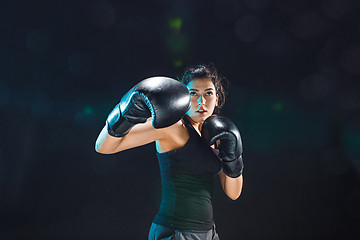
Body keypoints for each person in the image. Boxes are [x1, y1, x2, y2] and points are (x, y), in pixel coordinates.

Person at [95, 64, 244, 240]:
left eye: (208, 93)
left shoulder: (217, 135)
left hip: (209, 233)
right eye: (193, 93)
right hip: (176, 233)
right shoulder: (174, 128)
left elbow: (233, 193)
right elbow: (103, 146)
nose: (201, 101)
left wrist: (234, 159)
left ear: (217, 98)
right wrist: (126, 113)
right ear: (184, 98)